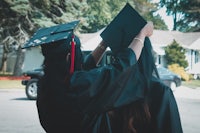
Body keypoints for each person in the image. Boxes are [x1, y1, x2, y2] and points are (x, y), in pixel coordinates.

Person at [36, 20, 182, 133]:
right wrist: (142, 34)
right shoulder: (159, 92)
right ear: (70, 57)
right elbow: (120, 69)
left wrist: (104, 42)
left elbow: (84, 72)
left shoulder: (46, 86)